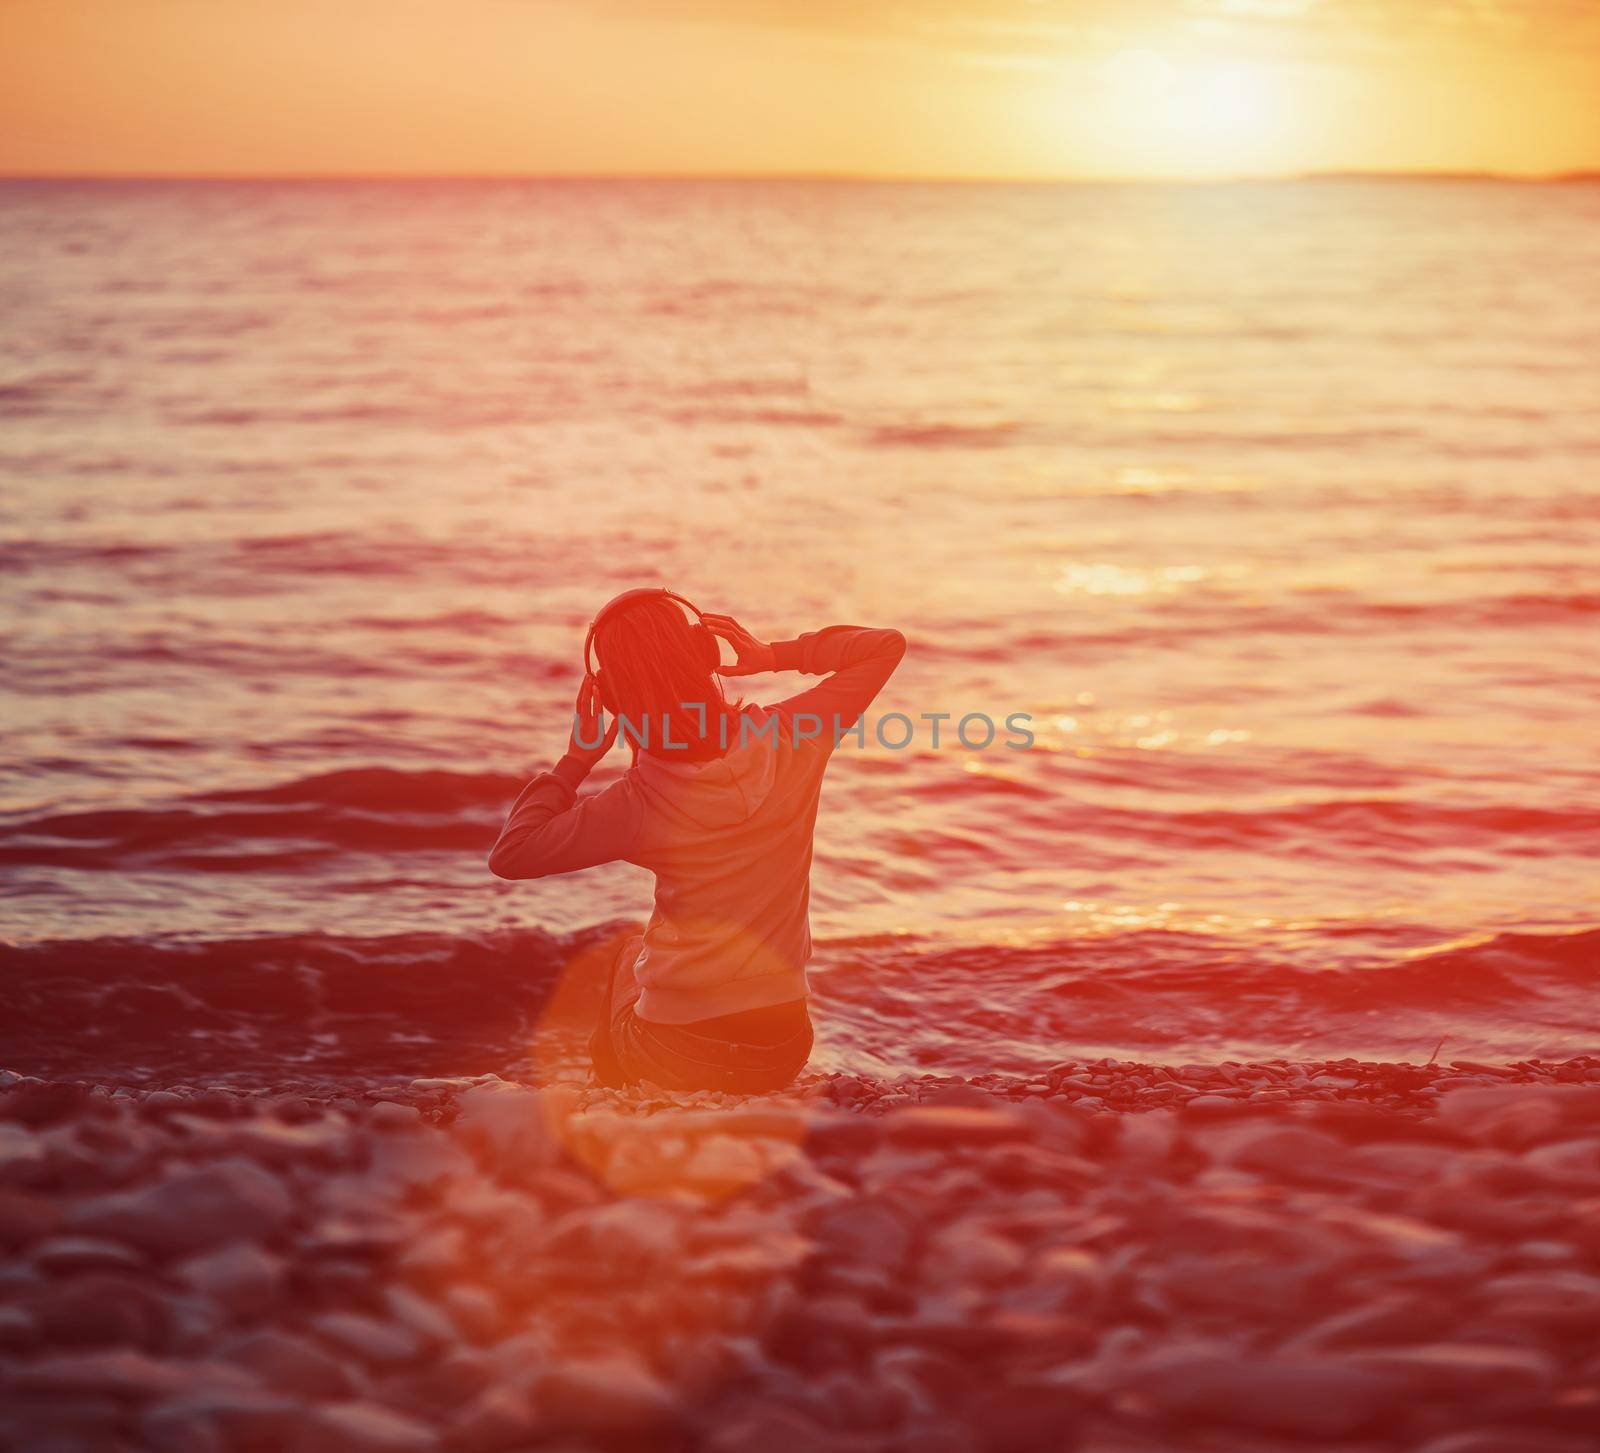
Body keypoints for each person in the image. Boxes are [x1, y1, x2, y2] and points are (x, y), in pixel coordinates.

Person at [488, 590, 906, 1094]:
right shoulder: (797, 736)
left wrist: (577, 759)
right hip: (782, 1049)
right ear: (706, 653)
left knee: (626, 956)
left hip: (678, 1052)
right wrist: (773, 655)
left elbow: (514, 854)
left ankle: (615, 1102)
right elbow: (884, 646)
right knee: (636, 957)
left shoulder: (638, 803)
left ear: (611, 696)